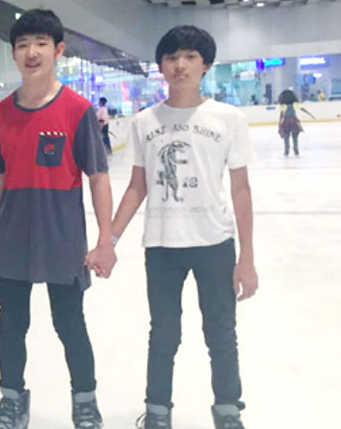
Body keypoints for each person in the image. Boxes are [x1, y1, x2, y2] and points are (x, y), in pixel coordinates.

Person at [0, 9, 115, 429]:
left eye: (40, 43)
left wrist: (104, 240)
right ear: (13, 54)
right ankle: (12, 400)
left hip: (61, 235)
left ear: (58, 50)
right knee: (11, 323)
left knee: (69, 323)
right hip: (12, 235)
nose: (31, 52)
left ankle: (85, 401)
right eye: (23, 45)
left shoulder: (78, 110)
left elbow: (98, 177)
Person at [110, 26, 257, 429]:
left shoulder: (229, 118)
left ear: (205, 64)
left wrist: (247, 258)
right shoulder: (144, 121)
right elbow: (137, 186)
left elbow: (241, 189)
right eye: (172, 57)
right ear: (160, 65)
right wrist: (110, 239)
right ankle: (158, 412)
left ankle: (228, 411)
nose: (180, 65)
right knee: (163, 335)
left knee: (221, 334)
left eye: (190, 56)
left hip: (215, 243)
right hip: (162, 246)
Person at [277, 89, 315, 156]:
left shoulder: (283, 106)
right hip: (294, 121)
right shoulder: (294, 104)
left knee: (286, 136)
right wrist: (310, 114)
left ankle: (286, 150)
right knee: (295, 136)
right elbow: (302, 109)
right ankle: (296, 149)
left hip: (286, 121)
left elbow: (281, 115)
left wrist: (279, 123)